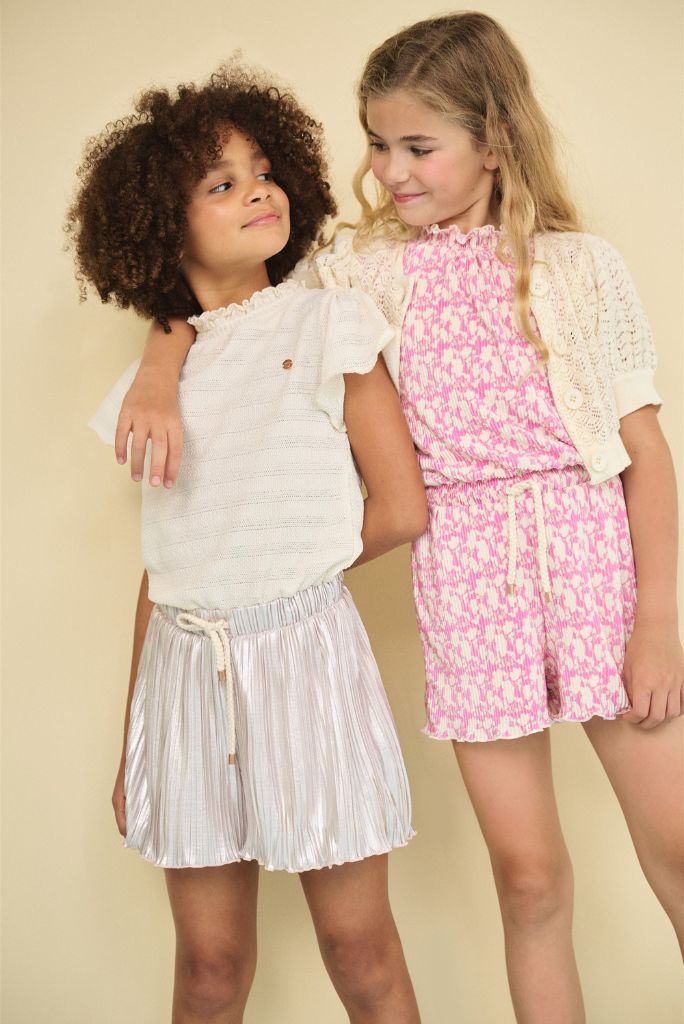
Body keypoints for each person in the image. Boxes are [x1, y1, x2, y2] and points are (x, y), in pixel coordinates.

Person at [108, 15, 684, 1023]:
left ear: (495, 139)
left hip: (597, 562)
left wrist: (659, 621)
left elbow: (644, 452)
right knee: (529, 877)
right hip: (463, 578)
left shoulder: (582, 266)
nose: (390, 170)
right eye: (378, 144)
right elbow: (218, 302)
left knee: (679, 845)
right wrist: (158, 366)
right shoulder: (355, 272)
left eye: (418, 147)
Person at [69, 62, 426, 1024]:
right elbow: (168, 564)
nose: (257, 189)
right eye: (219, 184)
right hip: (186, 676)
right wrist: (138, 737)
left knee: (361, 952)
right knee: (209, 971)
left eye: (262, 170)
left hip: (307, 656)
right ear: (161, 223)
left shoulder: (327, 320)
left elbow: (397, 507)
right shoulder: (154, 384)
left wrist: (278, 577)